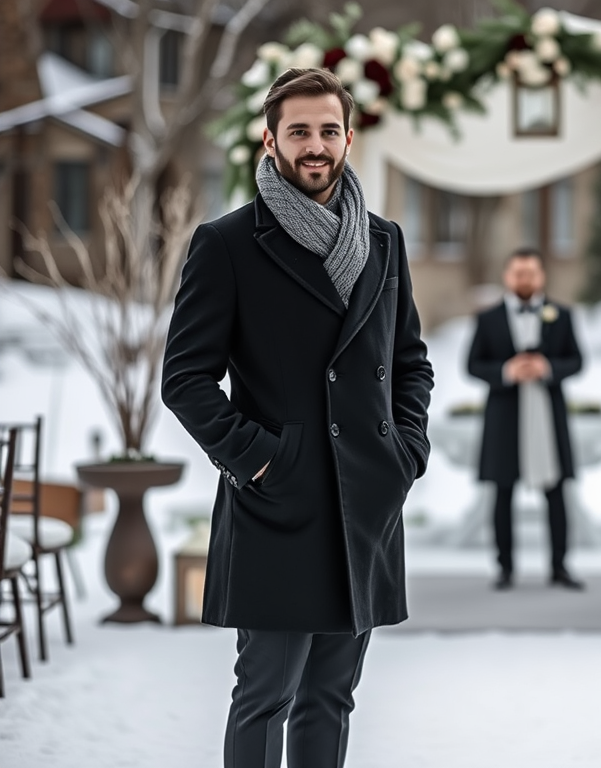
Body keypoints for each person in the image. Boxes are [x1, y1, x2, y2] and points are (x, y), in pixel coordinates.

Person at [161, 68, 433, 768]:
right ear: (271, 138)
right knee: (265, 697)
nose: (316, 146)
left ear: (349, 136)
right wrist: (257, 458)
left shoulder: (384, 239)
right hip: (279, 503)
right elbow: (185, 379)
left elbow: (410, 362)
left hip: (366, 502)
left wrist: (405, 452)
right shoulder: (226, 244)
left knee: (330, 700)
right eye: (300, 131)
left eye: (329, 131)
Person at [466, 247, 585, 591]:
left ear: (541, 276)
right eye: (518, 273)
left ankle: (559, 566)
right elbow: (472, 365)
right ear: (507, 276)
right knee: (502, 493)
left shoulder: (560, 315)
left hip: (548, 415)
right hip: (505, 417)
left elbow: (577, 360)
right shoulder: (487, 319)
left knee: (557, 491)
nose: (525, 279)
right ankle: (504, 568)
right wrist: (506, 371)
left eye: (531, 273)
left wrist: (548, 368)